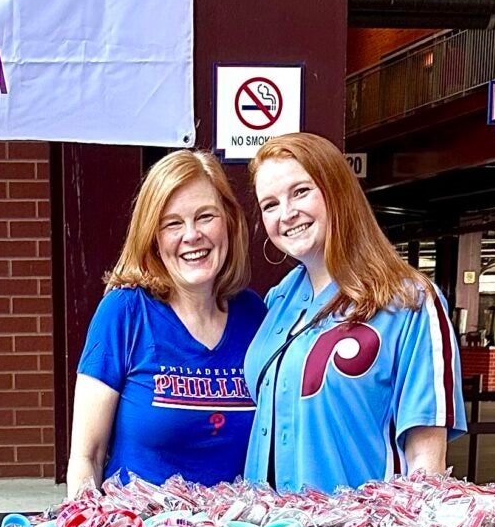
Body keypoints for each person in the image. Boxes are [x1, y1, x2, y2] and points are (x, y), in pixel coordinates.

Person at [243, 132, 466, 494]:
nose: (286, 214)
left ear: (337, 190)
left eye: (301, 191)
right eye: (270, 204)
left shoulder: (408, 301)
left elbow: (426, 461)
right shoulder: (277, 301)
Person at [66, 151, 266, 497]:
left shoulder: (255, 316)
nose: (191, 235)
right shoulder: (124, 312)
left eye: (205, 217)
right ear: (154, 237)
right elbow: (88, 456)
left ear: (229, 223)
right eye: (172, 223)